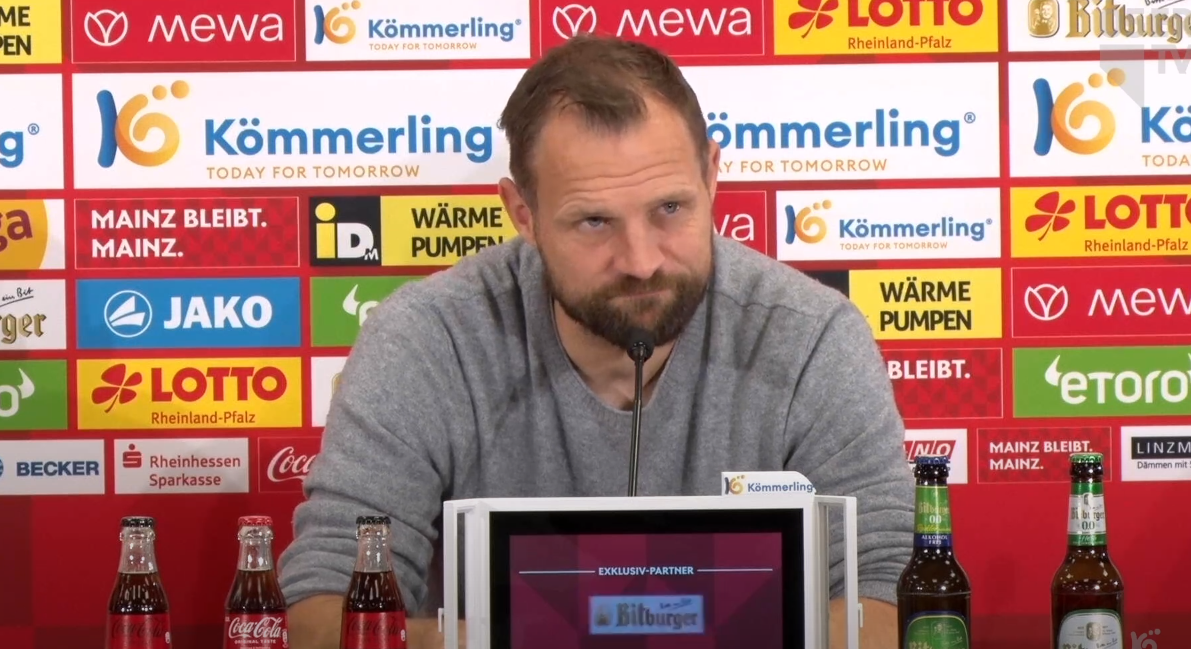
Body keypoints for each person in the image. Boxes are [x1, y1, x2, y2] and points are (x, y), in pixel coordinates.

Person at [280, 33, 914, 649]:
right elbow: (321, 613)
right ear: (524, 214)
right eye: (593, 221)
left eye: (670, 209)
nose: (640, 261)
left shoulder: (811, 338)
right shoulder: (426, 339)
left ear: (712, 175)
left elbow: (894, 601)